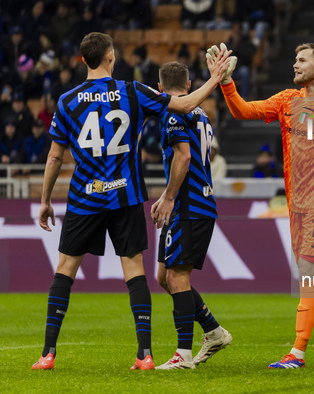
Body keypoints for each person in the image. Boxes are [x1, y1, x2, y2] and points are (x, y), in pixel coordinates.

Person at [32, 32, 232, 371]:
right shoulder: (133, 91)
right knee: (136, 272)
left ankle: (48, 353)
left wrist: (46, 199)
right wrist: (215, 78)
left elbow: (54, 157)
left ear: (83, 60)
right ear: (111, 57)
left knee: (66, 268)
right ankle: (145, 355)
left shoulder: (66, 101)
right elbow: (183, 104)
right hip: (126, 194)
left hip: (85, 196)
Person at [210, 42, 314, 368]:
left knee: (309, 270)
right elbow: (244, 111)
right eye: (294, 59)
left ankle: (297, 352)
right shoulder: (287, 100)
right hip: (297, 202)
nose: (295, 65)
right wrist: (227, 83)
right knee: (311, 274)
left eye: (302, 60)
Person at [151, 61, 234, 370]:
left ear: (160, 89)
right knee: (164, 276)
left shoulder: (172, 112)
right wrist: (166, 196)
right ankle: (213, 331)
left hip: (189, 206)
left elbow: (183, 156)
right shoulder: (200, 113)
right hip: (192, 203)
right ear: (187, 86)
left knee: (177, 276)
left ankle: (183, 354)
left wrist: (169, 197)